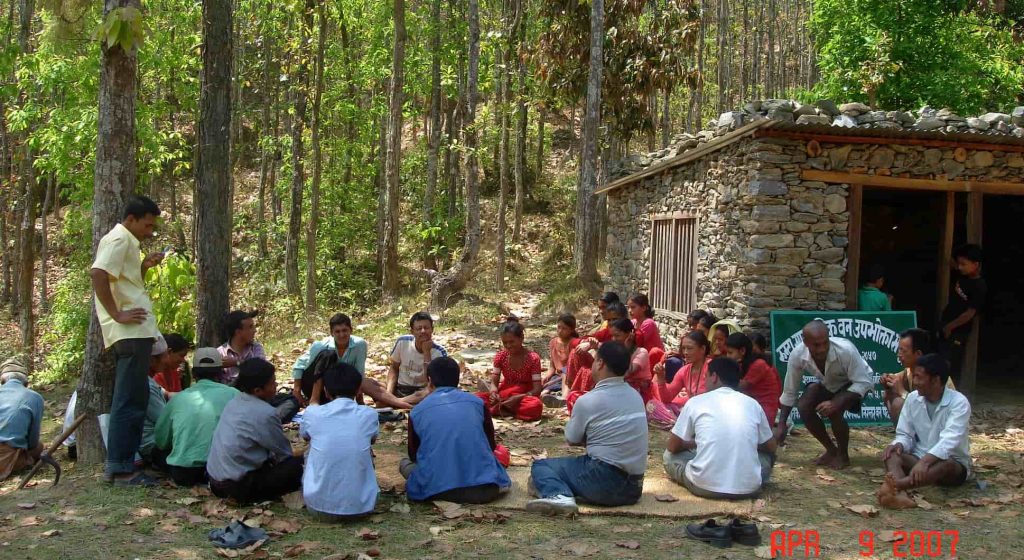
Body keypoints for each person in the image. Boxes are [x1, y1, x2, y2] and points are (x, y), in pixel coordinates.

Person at [91, 195, 164, 486]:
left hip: (137, 331)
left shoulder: (128, 245)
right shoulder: (118, 240)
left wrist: (144, 266)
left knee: (135, 397)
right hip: (130, 332)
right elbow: (98, 274)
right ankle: (121, 468)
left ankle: (124, 463)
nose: (149, 231)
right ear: (131, 219)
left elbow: (124, 281)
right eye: (147, 225)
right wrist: (116, 314)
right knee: (129, 400)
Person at [527, 342, 648, 515]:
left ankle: (559, 496)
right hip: (634, 489)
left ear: (600, 363)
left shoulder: (588, 401)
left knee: (542, 467)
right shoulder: (635, 396)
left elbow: (572, 438)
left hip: (603, 480)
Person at [663, 358, 777, 499]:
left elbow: (672, 446)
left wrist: (694, 444)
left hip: (703, 486)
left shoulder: (695, 402)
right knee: (768, 457)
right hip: (749, 488)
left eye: (706, 377)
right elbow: (771, 447)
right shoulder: (753, 404)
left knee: (669, 456)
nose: (705, 381)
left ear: (714, 377)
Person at [402, 357, 512, 504]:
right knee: (499, 454)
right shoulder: (477, 403)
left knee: (404, 464)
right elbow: (490, 446)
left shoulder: (417, 412)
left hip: (436, 490)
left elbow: (414, 455)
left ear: (430, 381)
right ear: (458, 379)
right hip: (485, 489)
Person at [775, 320, 874, 470]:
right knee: (804, 405)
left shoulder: (845, 350)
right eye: (816, 345)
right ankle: (831, 450)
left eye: (824, 343)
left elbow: (864, 382)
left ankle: (843, 455)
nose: (821, 349)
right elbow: (790, 391)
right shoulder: (797, 355)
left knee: (833, 410)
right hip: (831, 384)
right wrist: (782, 424)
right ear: (805, 342)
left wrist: (835, 402)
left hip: (857, 383)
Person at [878, 354, 971, 509]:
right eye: (914, 377)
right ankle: (899, 496)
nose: (914, 382)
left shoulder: (959, 403)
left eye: (919, 378)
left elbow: (948, 442)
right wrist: (899, 444)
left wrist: (924, 462)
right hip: (919, 460)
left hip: (951, 464)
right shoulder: (913, 398)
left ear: (935, 380)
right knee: (891, 454)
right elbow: (905, 434)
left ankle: (895, 486)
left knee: (946, 465)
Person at [207, 359, 304, 504]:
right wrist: (301, 441)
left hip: (215, 481)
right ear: (258, 390)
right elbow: (286, 451)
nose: (276, 385)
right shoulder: (266, 413)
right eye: (272, 383)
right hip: (237, 487)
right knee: (299, 463)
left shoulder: (235, 401)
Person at [300, 362, 379, 521]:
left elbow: (305, 436)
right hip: (362, 507)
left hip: (317, 506)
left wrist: (314, 395)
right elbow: (372, 440)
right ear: (358, 390)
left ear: (326, 391)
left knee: (312, 448)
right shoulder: (369, 414)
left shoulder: (313, 414)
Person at [154, 348, 240, 486]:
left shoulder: (178, 399)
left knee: (155, 452)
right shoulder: (235, 395)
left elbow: (161, 441)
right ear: (220, 372)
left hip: (184, 474)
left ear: (193, 374)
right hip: (222, 471)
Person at [292, 313, 413, 411]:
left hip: (336, 387)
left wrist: (360, 400)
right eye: (337, 332)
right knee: (327, 355)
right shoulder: (320, 345)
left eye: (344, 330)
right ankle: (315, 401)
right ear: (331, 333)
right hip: (314, 384)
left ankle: (401, 403)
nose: (341, 335)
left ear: (351, 330)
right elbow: (299, 365)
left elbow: (359, 373)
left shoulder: (360, 345)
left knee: (369, 382)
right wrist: (297, 390)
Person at [880, 329, 955, 427]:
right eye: (899, 350)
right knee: (889, 394)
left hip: (939, 426)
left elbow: (929, 408)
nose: (899, 355)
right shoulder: (909, 371)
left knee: (898, 403)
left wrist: (902, 392)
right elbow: (896, 378)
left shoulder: (934, 376)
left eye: (904, 351)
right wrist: (888, 381)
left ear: (918, 354)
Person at [475, 318, 544, 421]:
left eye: (512, 342)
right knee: (476, 399)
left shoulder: (533, 358)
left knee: (535, 406)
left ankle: (499, 409)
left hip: (523, 397)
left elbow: (537, 389)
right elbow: (494, 383)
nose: (508, 346)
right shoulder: (500, 356)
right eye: (505, 343)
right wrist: (494, 393)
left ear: (521, 338)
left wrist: (518, 398)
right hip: (504, 394)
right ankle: (503, 408)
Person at [564, 301, 627, 409]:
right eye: (609, 320)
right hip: (603, 368)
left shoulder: (631, 334)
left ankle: (582, 400)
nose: (611, 323)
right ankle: (573, 395)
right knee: (577, 353)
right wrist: (587, 343)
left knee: (587, 372)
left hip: (618, 376)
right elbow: (576, 341)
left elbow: (619, 356)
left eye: (615, 319)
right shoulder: (607, 331)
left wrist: (598, 346)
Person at [938, 244, 985, 382]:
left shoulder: (979, 286)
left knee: (948, 364)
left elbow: (970, 313)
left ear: (976, 265)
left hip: (958, 331)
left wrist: (950, 327)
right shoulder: (962, 275)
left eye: (964, 264)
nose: (960, 267)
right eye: (959, 264)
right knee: (939, 359)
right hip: (946, 324)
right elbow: (951, 261)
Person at [648, 331, 711, 431]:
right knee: (652, 405)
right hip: (692, 413)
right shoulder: (685, 370)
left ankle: (683, 428)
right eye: (683, 348)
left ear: (703, 349)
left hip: (710, 414)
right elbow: (667, 398)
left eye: (689, 348)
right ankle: (683, 427)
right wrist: (661, 378)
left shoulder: (712, 368)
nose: (685, 352)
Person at [726, 333, 782, 426]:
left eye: (730, 353)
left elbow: (739, 387)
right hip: (752, 408)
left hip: (763, 412)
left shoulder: (758, 365)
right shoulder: (744, 364)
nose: (728, 356)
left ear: (742, 351)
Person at [388, 311, 448, 398]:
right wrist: (389, 394)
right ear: (412, 331)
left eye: (426, 328)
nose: (423, 331)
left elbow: (431, 381)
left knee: (434, 394)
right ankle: (396, 401)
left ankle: (397, 403)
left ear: (432, 329)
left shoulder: (440, 352)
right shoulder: (402, 342)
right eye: (419, 328)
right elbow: (394, 368)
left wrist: (426, 352)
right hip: (400, 388)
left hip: (424, 392)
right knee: (368, 384)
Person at [0, 370, 44, 481]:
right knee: (39, 447)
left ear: (3, 382)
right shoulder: (35, 397)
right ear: (26, 384)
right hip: (6, 455)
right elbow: (32, 442)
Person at [607, 318, 654, 403]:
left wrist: (627, 350)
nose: (614, 339)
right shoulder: (615, 352)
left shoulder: (641, 352)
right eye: (612, 336)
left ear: (630, 334)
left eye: (617, 336)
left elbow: (628, 372)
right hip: (622, 390)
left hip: (640, 396)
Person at [218, 310, 266, 385]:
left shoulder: (256, 348)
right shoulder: (220, 353)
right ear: (238, 332)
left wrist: (237, 362)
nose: (255, 330)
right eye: (250, 327)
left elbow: (262, 370)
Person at [541, 314, 579, 401]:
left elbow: (573, 366)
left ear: (571, 330)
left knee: (565, 374)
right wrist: (547, 376)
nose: (560, 331)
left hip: (569, 376)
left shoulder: (573, 343)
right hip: (557, 376)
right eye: (559, 327)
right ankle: (550, 395)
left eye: (564, 328)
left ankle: (563, 398)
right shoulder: (553, 342)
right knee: (544, 388)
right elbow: (552, 366)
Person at [152, 333, 193, 399]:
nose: (183, 360)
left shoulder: (174, 373)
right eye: (181, 355)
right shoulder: (155, 375)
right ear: (169, 352)